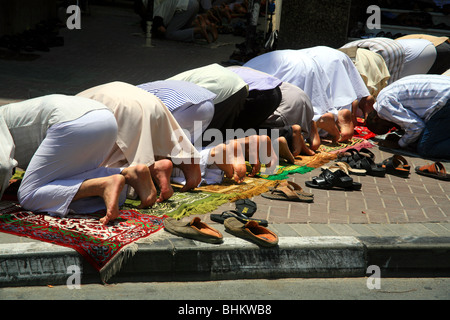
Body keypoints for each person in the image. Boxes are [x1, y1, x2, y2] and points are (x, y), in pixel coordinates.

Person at [0, 94, 155, 225]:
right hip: (105, 117)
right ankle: (129, 173)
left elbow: (3, 166)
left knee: (28, 196)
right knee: (73, 177)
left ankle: (102, 185)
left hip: (71, 125)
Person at [76, 81, 202, 199]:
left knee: (109, 162)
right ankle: (167, 165)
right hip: (152, 102)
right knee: (149, 146)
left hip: (120, 106)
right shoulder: (75, 100)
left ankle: (139, 182)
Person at [244, 47, 374, 143]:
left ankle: (317, 121)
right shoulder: (241, 70)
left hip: (293, 64)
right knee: (318, 100)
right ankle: (331, 116)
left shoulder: (238, 82)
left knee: (287, 109)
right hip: (308, 59)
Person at [228, 65, 320, 158]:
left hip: (282, 104)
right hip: (295, 93)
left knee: (229, 135)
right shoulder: (233, 69)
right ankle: (307, 128)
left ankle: (288, 137)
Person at [365, 75, 450, 159]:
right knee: (423, 138)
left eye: (388, 126)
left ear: (376, 119)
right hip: (444, 92)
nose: (393, 126)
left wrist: (399, 144)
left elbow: (417, 127)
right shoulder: (382, 96)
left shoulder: (383, 108)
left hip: (445, 98)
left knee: (425, 148)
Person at [340, 37, 406, 84]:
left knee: (379, 81)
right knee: (388, 79)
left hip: (384, 49)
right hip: (391, 45)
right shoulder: (340, 54)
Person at [152, 0, 217, 43]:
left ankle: (199, 30)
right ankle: (207, 28)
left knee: (169, 34)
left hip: (185, 6)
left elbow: (162, 29)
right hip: (193, 3)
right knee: (183, 31)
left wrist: (161, 33)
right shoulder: (161, 7)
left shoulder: (155, 16)